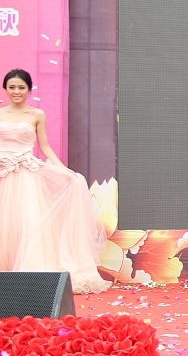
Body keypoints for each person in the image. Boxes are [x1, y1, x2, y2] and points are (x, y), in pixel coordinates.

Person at [0, 69, 109, 293]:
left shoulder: (37, 114)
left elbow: (45, 147)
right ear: (5, 89)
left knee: (27, 223)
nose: (16, 91)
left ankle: (29, 278)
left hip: (26, 177)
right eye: (12, 87)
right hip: (3, 173)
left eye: (21, 87)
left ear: (29, 90)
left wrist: (64, 170)